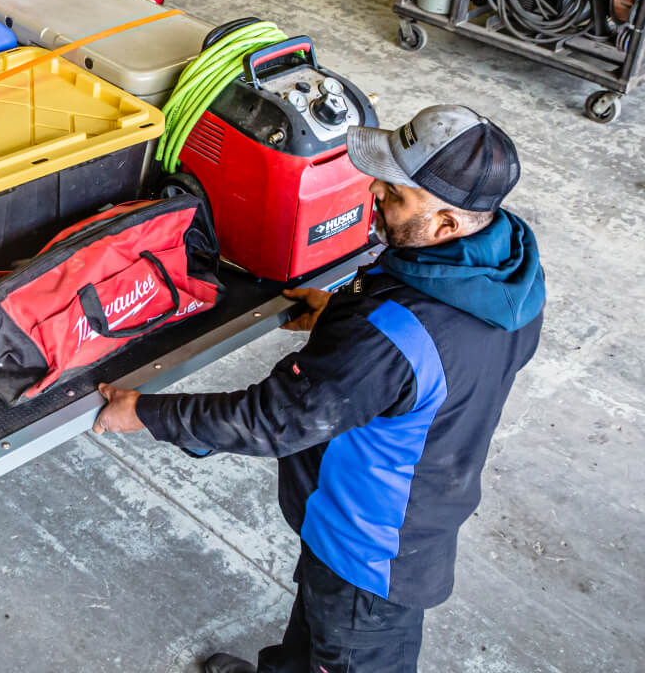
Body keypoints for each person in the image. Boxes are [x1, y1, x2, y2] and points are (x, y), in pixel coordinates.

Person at [94, 105, 546, 673]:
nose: (378, 190)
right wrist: (342, 315)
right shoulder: (507, 277)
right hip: (412, 504)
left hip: (369, 553)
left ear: (448, 224)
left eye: (399, 193)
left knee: (344, 642)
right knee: (310, 635)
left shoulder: (388, 340)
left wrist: (146, 413)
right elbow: (437, 356)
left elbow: (273, 420)